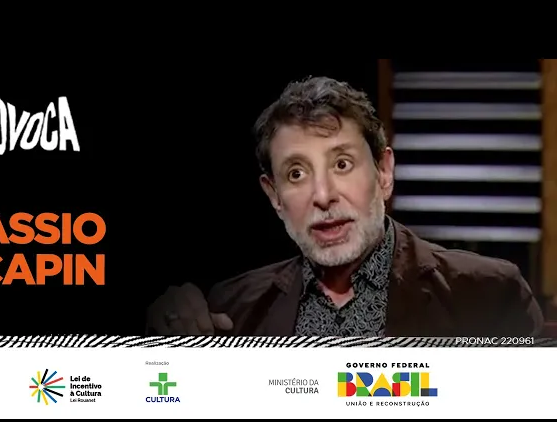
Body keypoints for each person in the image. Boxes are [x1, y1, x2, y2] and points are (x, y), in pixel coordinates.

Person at [146, 76, 545, 337]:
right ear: (275, 196)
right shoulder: (229, 308)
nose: (323, 195)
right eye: (297, 173)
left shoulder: (490, 294)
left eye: (341, 164)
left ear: (383, 172)